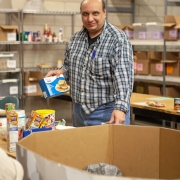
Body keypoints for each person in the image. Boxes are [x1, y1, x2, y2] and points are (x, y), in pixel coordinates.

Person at [45, 0, 134, 127]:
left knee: (107, 148)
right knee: (81, 147)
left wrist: (120, 108)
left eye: (95, 13)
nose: (90, 19)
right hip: (78, 112)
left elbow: (124, 77)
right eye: (85, 14)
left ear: (104, 12)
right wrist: (61, 72)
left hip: (106, 113)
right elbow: (69, 66)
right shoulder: (76, 38)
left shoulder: (118, 39)